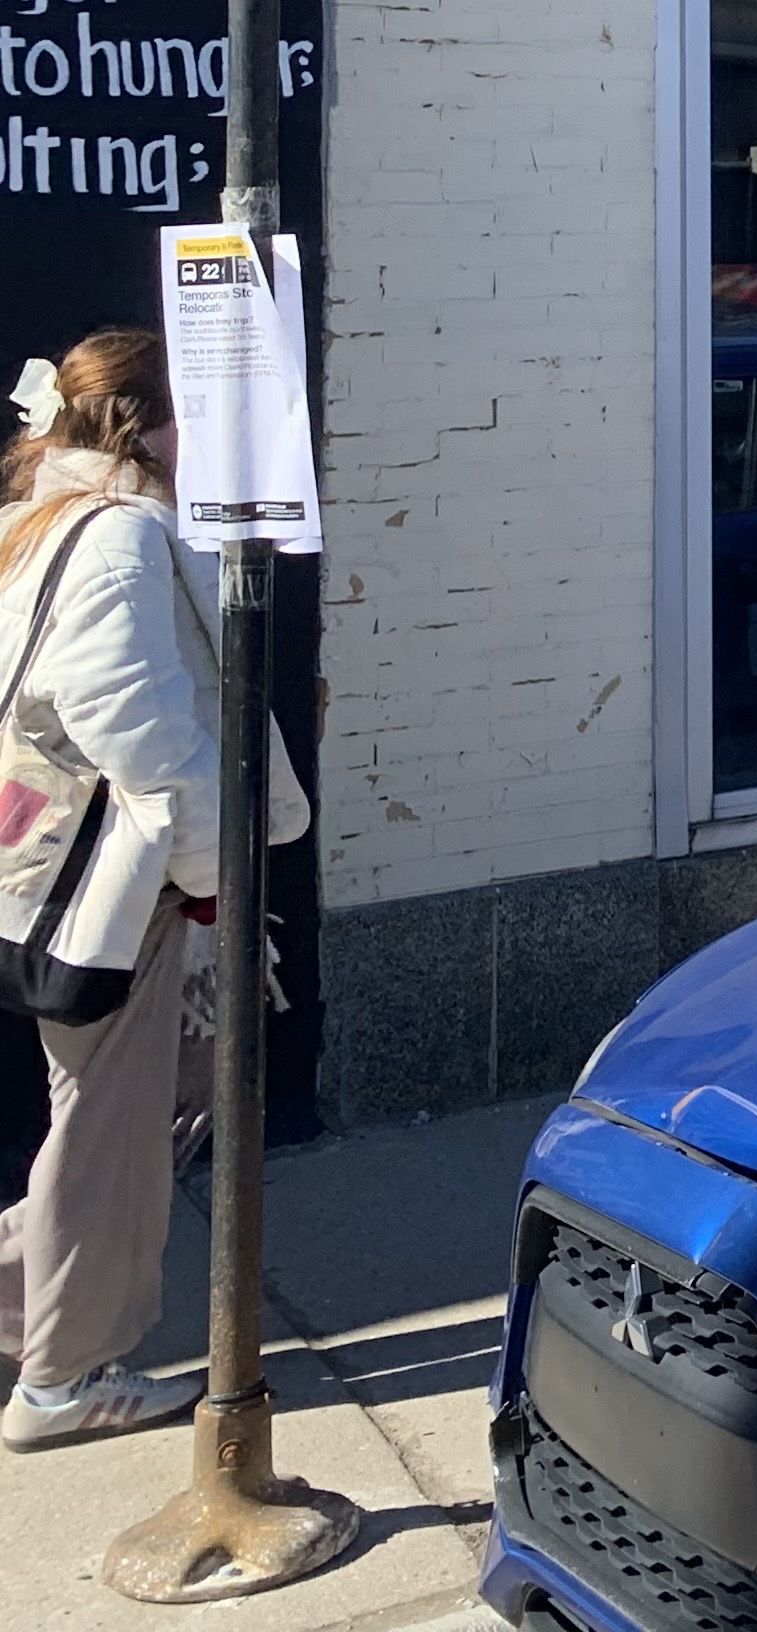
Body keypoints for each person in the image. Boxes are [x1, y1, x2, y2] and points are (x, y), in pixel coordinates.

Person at [0, 330, 307, 1450]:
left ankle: (32, 1316)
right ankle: (63, 1382)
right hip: (121, 894)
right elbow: (125, 712)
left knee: (132, 1116)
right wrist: (216, 876)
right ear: (151, 425)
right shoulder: (120, 530)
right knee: (111, 1133)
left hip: (65, 877)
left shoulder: (41, 515)